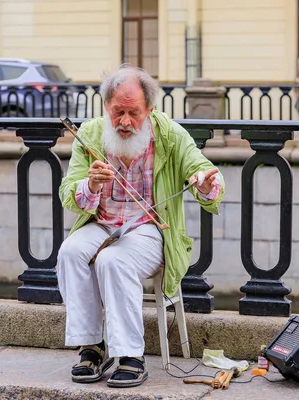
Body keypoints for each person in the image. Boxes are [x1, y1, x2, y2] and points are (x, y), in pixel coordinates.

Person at [56, 64, 224, 388]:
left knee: (112, 259)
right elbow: (68, 194)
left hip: (149, 230)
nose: (125, 122)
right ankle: (91, 346)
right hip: (103, 222)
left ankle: (132, 355)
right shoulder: (90, 134)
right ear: (106, 106)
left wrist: (203, 183)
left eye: (134, 112)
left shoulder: (170, 135)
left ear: (149, 109)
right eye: (118, 112)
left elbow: (205, 174)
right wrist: (90, 187)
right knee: (71, 252)